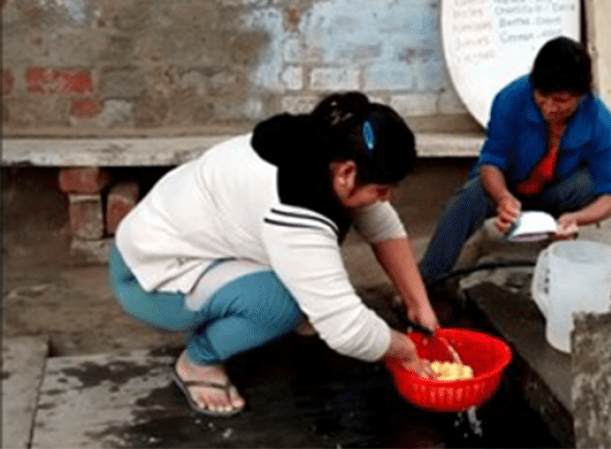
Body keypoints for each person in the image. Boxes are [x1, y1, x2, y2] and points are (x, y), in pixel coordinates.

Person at [109, 92, 439, 417]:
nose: (385, 199)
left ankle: (242, 305)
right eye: (381, 189)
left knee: (315, 282)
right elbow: (346, 330)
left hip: (169, 243)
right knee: (284, 305)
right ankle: (198, 362)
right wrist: (405, 351)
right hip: (148, 278)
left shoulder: (323, 144)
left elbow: (383, 226)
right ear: (347, 174)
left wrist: (418, 303)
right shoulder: (294, 202)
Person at [419, 36, 611, 286]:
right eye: (542, 96)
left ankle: (555, 231)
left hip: (555, 194)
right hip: (508, 185)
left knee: (589, 183)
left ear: (581, 95)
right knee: (466, 200)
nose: (549, 107)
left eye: (560, 101)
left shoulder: (599, 120)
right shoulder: (510, 99)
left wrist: (577, 218)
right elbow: (491, 162)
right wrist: (503, 198)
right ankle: (427, 281)